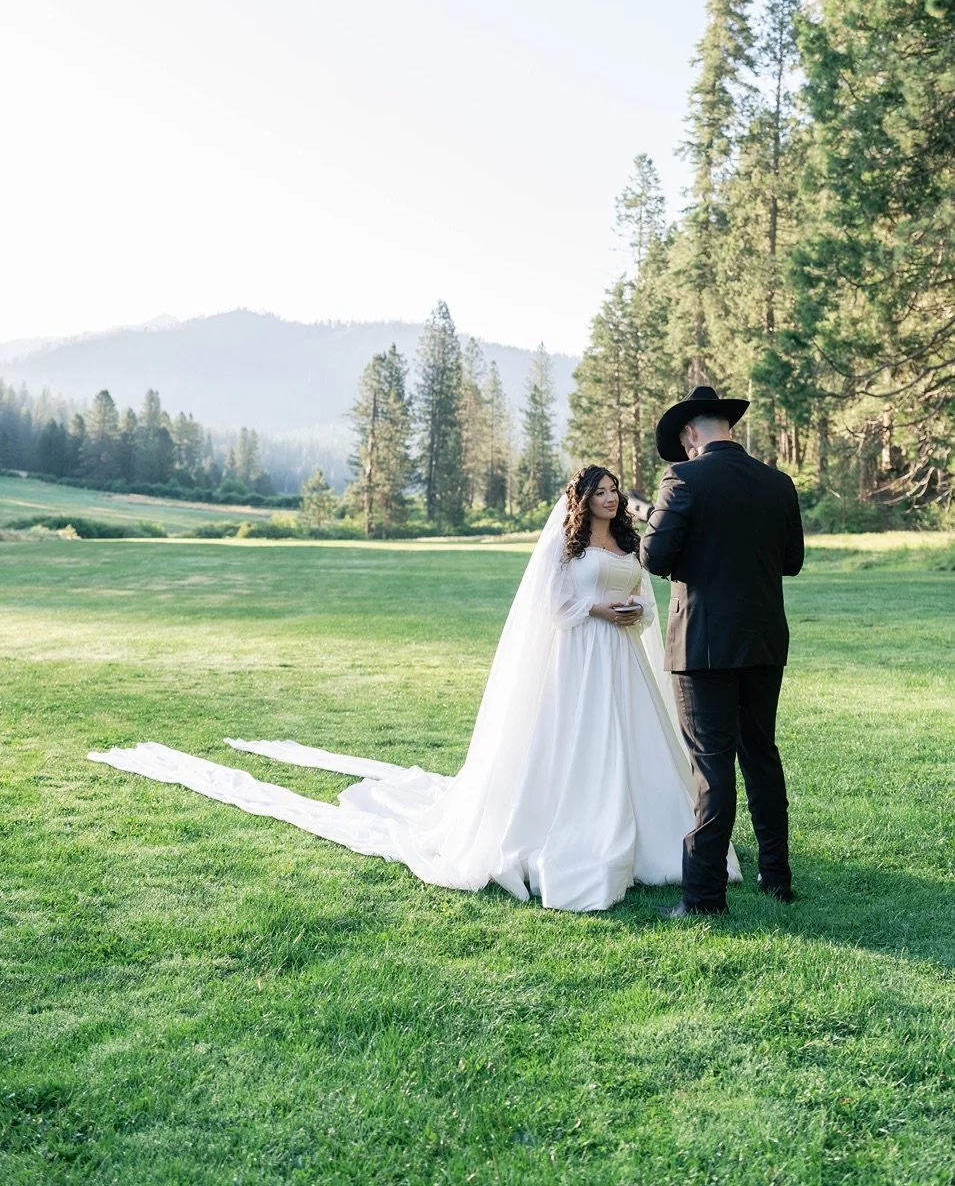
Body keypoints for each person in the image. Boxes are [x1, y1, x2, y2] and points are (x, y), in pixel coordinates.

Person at [91, 465, 739, 912]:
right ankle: (582, 833)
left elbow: (645, 598)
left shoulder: (628, 542)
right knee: (583, 749)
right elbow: (552, 607)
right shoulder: (567, 549)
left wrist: (632, 612)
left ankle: (655, 841)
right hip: (582, 659)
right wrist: (596, 610)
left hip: (621, 660)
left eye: (615, 490)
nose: (611, 498)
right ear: (581, 499)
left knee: (636, 748)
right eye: (601, 491)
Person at [640, 384, 805, 917]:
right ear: (725, 427)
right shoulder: (778, 483)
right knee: (761, 756)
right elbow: (792, 561)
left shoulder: (682, 479)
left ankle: (704, 896)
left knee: (712, 767)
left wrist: (657, 522)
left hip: (702, 645)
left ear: (691, 433)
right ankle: (776, 876)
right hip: (763, 639)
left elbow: (654, 557)